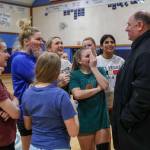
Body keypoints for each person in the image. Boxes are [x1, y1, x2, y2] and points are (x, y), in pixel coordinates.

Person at [22, 52, 79, 150]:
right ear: (57, 72)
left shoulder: (27, 93)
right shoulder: (61, 95)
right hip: (58, 145)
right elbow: (73, 132)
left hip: (35, 146)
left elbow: (28, 126)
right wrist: (75, 111)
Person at [112, 11, 150, 150]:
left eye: (129, 25)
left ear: (139, 25)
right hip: (134, 129)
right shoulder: (139, 48)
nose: (126, 28)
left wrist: (126, 120)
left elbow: (144, 94)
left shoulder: (145, 52)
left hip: (137, 131)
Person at [11, 19, 43, 150]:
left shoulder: (32, 57)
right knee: (27, 147)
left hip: (35, 108)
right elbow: (42, 79)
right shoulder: (20, 59)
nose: (41, 43)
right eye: (38, 39)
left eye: (41, 39)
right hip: (26, 111)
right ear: (26, 42)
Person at [70, 48, 110, 150]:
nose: (92, 58)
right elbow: (78, 94)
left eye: (93, 55)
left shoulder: (100, 70)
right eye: (88, 56)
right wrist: (97, 89)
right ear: (79, 61)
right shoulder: (75, 74)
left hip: (101, 119)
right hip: (84, 120)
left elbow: (105, 86)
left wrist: (94, 68)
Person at [97, 34, 124, 122]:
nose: (110, 44)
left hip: (117, 99)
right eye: (106, 42)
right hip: (100, 98)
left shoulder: (121, 61)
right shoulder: (96, 61)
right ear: (101, 46)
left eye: (112, 42)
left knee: (116, 126)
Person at [0, 39, 20, 150]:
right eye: (4, 51)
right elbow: (16, 113)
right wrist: (11, 108)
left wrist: (10, 105)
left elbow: (13, 96)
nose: (8, 54)